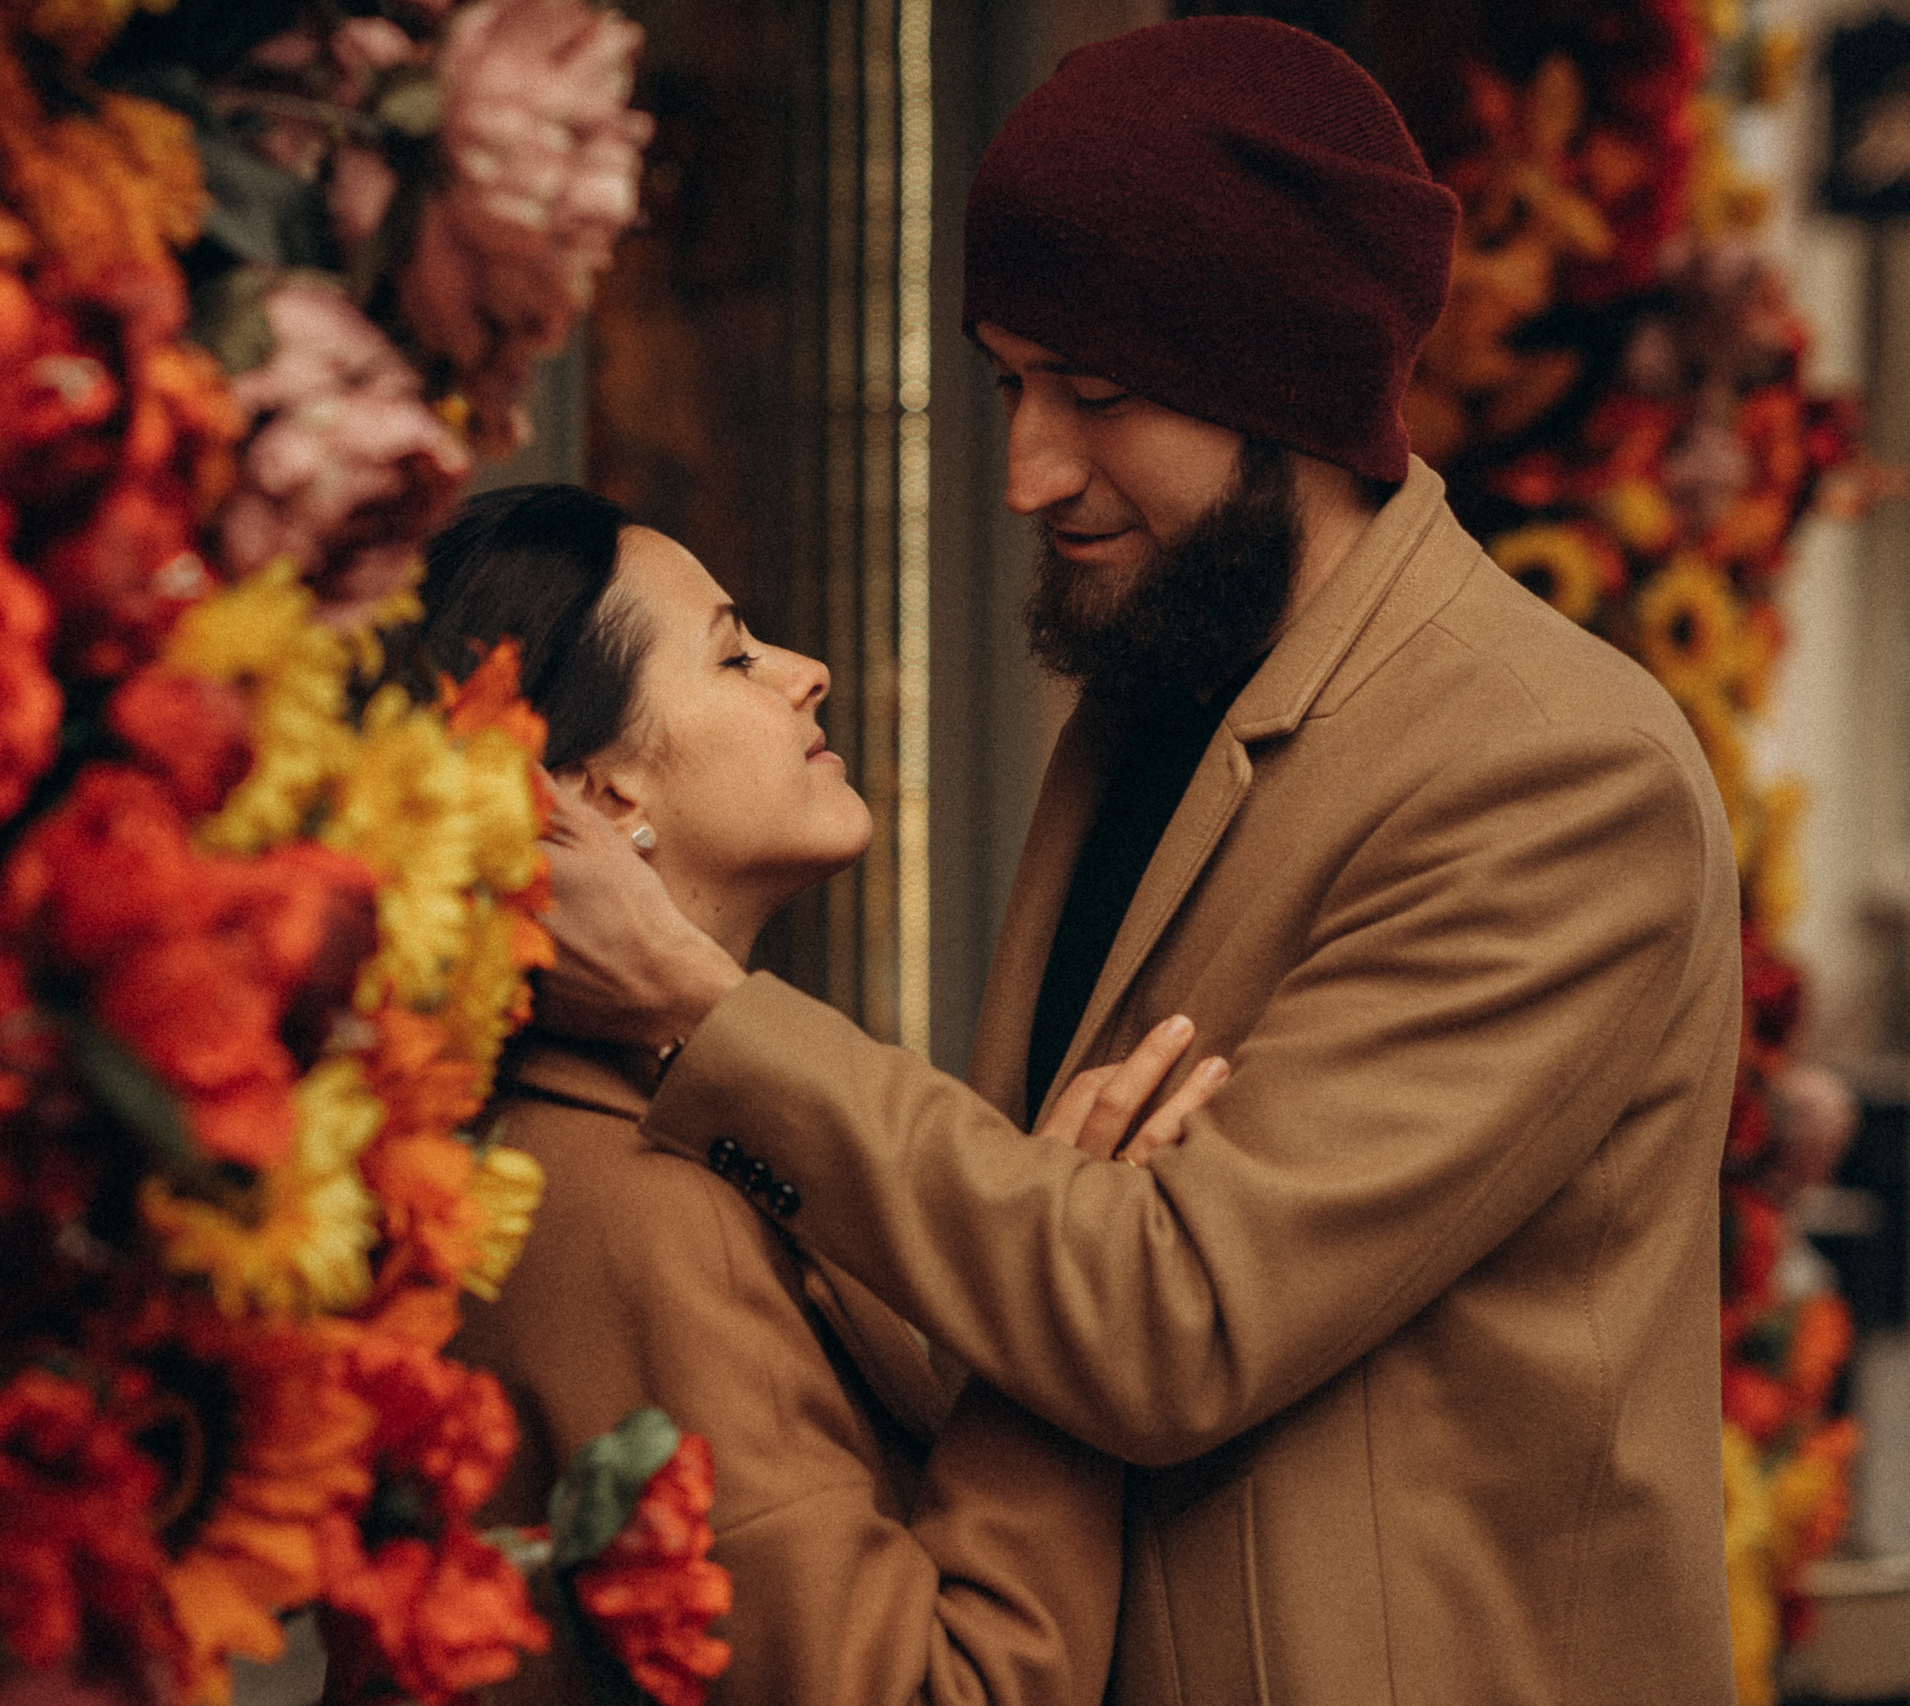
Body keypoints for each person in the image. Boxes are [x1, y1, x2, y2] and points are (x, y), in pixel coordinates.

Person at [530, 17, 1745, 1706]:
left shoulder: (1549, 770)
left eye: (1095, 394)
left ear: (1289, 385)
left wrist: (695, 1009)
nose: (1028, 473)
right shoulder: (1155, 687)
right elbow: (1026, 1278)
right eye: (1008, 385)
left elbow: (1172, 1319)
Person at [421, 483, 1218, 1704]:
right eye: (733, 654)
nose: (809, 670)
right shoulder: (640, 1212)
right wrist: (1056, 1325)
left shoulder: (641, 1142)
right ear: (593, 795)